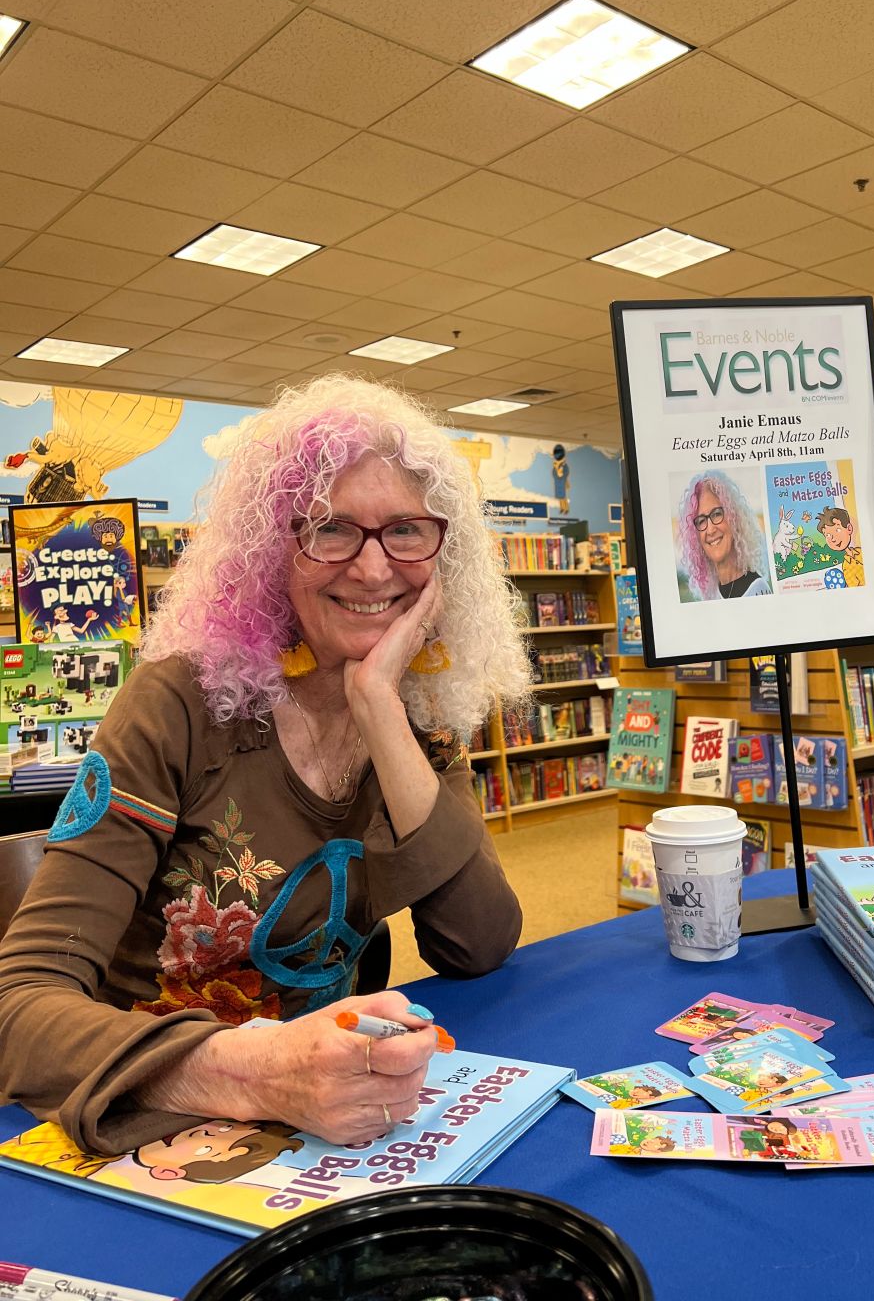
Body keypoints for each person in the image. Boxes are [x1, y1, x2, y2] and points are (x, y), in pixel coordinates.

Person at [0, 375, 533, 1157]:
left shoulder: (420, 715)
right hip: (157, 1123)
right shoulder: (179, 705)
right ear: (272, 551)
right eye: (331, 529)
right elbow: (18, 1009)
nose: (373, 569)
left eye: (406, 531)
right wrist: (255, 1073)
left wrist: (379, 706)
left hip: (331, 1124)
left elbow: (478, 943)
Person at [676, 472, 771, 601]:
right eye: (701, 521)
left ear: (734, 518)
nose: (710, 530)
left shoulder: (758, 590)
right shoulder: (710, 595)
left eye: (716, 514)